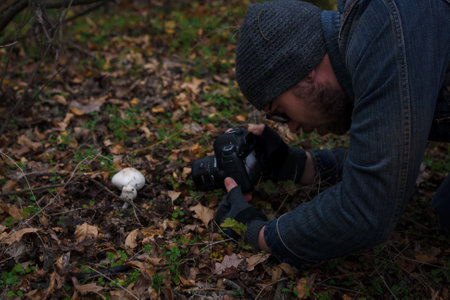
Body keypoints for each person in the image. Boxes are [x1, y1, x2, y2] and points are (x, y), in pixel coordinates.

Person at [214, 0, 450, 269]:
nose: (291, 126)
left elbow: (366, 210)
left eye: (280, 111)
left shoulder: (387, 30)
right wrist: (301, 165)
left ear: (304, 72)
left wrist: (259, 234)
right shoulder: (377, 28)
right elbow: (395, 157)